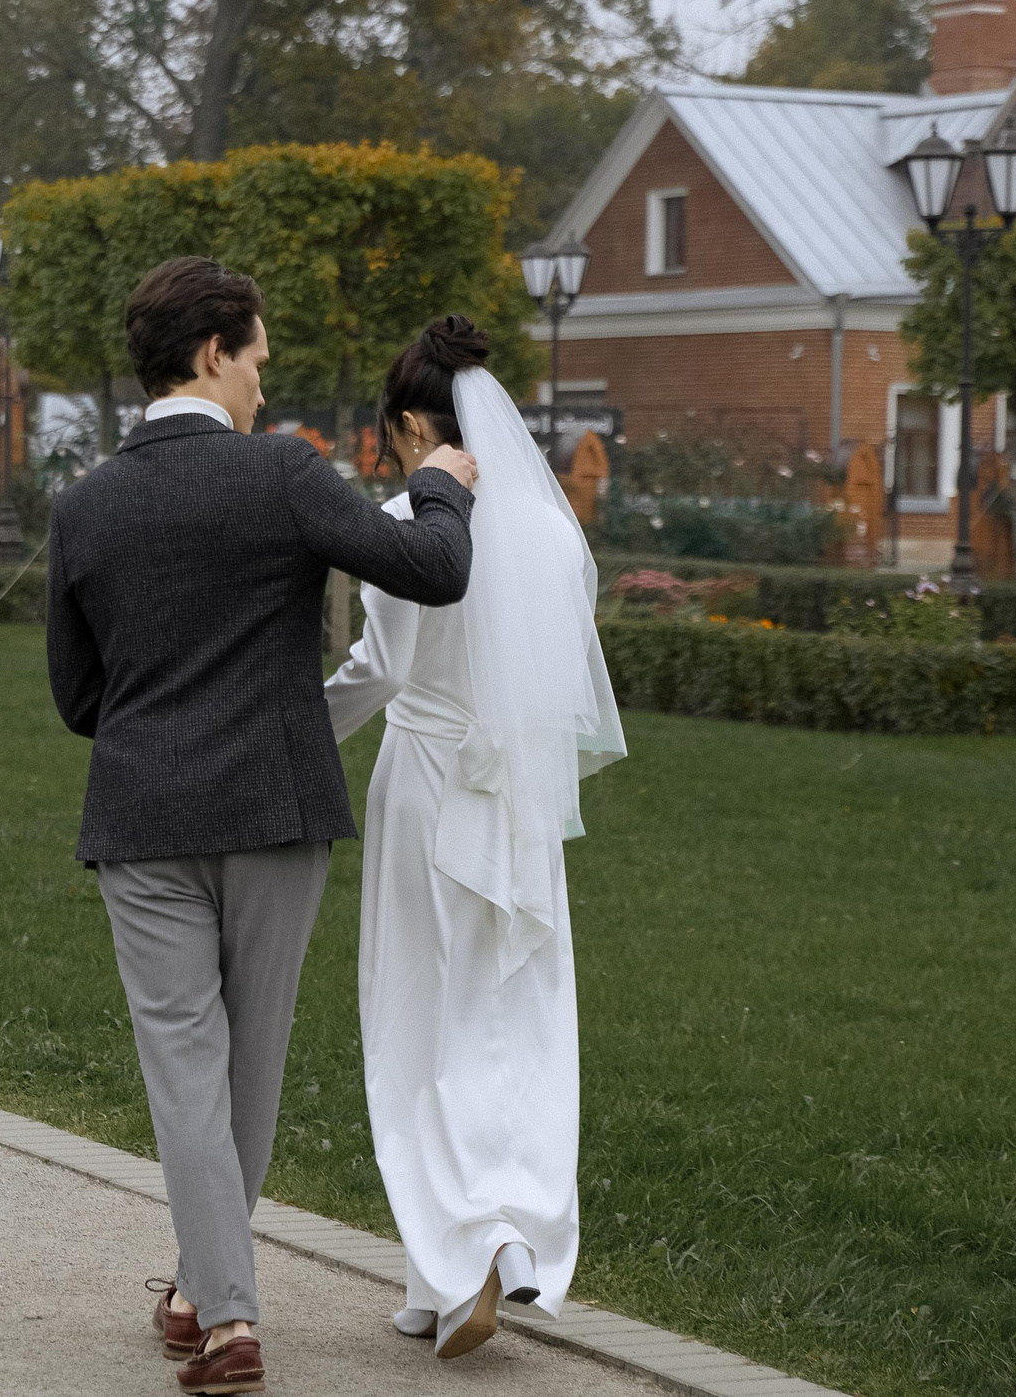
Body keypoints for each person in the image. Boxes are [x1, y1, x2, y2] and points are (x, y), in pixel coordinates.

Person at [45, 257, 480, 1396]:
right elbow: (432, 569)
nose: (257, 383)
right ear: (211, 354)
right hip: (275, 810)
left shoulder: (84, 504)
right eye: (255, 361)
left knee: (183, 1067)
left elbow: (77, 699)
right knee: (249, 1061)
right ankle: (219, 1306)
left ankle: (212, 1301)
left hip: (142, 815)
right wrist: (441, 480)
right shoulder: (283, 471)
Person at [322, 316, 626, 1359]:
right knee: (515, 1020)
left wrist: (290, 731)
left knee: (416, 1016)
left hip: (429, 784)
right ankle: (476, 1260)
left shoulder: (409, 516)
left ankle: (459, 1266)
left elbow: (379, 670)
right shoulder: (548, 530)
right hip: (520, 798)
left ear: (413, 423)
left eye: (393, 431)